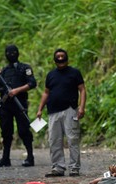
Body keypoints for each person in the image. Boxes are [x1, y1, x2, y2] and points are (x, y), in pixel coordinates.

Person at [37, 48, 86, 177]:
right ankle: (58, 167)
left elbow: (82, 90)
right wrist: (40, 109)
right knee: (54, 140)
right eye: (57, 56)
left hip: (70, 110)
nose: (60, 59)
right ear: (54, 59)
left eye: (62, 56)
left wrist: (81, 107)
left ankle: (74, 167)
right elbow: (46, 92)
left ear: (67, 58)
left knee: (72, 139)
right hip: (53, 112)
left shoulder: (75, 73)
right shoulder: (51, 75)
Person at [0, 44, 37, 167]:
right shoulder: (4, 71)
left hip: (20, 103)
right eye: (8, 53)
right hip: (6, 106)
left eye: (13, 52)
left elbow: (32, 83)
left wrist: (17, 90)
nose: (11, 55)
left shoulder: (24, 68)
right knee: (6, 132)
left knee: (23, 130)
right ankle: (6, 158)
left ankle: (30, 157)